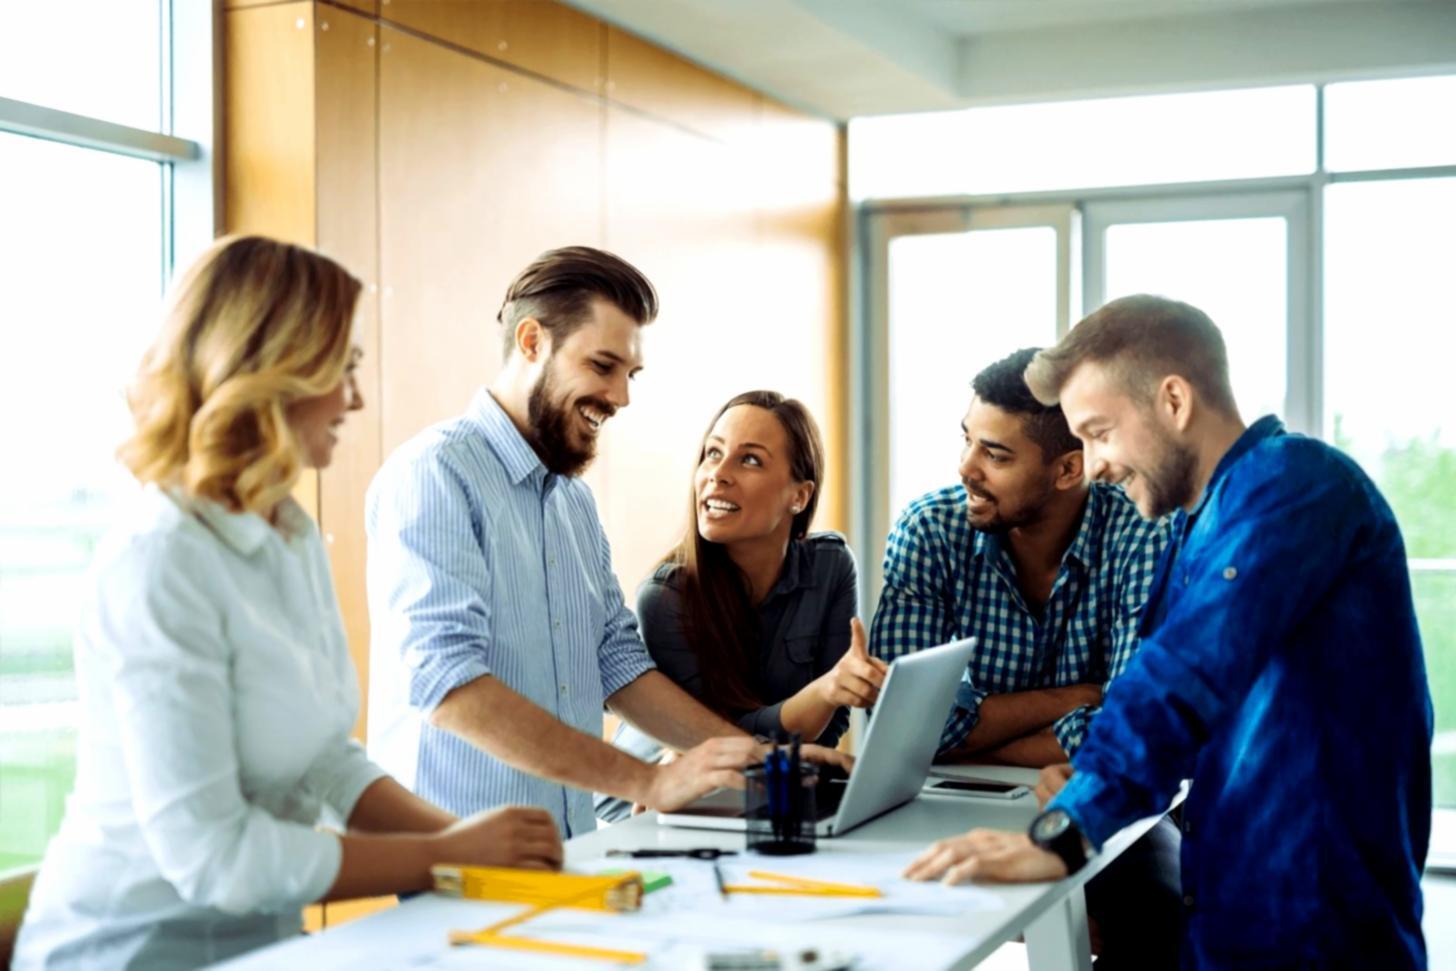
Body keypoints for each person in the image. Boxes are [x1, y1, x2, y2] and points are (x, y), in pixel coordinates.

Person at [14, 236, 562, 971]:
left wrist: (478, 849)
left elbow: (324, 762)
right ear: (273, 371)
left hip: (258, 947)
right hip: (124, 954)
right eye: (344, 368)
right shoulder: (159, 560)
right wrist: (444, 856)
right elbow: (216, 858)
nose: (355, 398)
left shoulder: (289, 531)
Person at [906, 295, 1433, 968]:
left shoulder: (1293, 483)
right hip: (1229, 917)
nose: (1094, 465)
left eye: (1099, 432)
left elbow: (1180, 677)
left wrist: (1068, 828)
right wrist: (1091, 778)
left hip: (1317, 929)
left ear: (1174, 401)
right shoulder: (1195, 528)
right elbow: (1166, 713)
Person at [366, 248, 848, 838]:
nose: (621, 397)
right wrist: (648, 782)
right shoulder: (435, 474)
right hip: (451, 854)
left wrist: (761, 760)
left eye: (630, 374)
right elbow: (447, 686)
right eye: (602, 366)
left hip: (566, 846)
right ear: (531, 342)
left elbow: (617, 664)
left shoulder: (572, 501)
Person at [870, 347, 1179, 967]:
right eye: (967, 440)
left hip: (1095, 796)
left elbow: (1126, 732)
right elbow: (905, 728)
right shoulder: (930, 531)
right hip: (946, 801)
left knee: (1157, 909)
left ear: (1069, 469)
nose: (966, 468)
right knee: (877, 899)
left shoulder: (1141, 533)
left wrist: (967, 738)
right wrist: (1076, 699)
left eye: (996, 454)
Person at [598, 391, 883, 820]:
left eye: (749, 460)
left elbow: (829, 725)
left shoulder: (831, 565)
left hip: (766, 790)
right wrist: (822, 692)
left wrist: (831, 697)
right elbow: (713, 743)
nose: (718, 474)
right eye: (713, 453)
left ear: (799, 496)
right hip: (649, 809)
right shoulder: (666, 598)